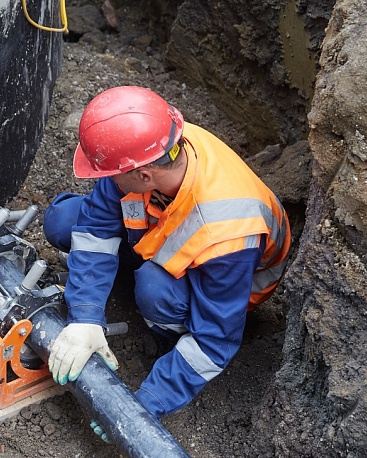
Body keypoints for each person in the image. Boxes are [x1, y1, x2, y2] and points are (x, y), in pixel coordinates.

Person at [44, 86, 291, 429]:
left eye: (109, 173)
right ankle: (130, 282)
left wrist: (144, 407)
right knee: (64, 222)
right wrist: (85, 316)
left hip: (225, 282)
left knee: (154, 290)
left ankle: (168, 332)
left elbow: (213, 342)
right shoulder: (153, 142)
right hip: (162, 235)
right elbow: (95, 228)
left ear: (143, 176)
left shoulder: (228, 231)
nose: (105, 179)